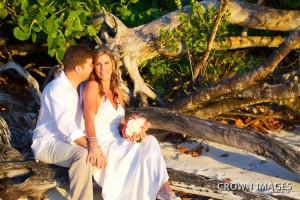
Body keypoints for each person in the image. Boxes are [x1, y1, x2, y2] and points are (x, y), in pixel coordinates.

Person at [83, 46, 181, 200]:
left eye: (106, 63)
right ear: (94, 67)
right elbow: (88, 117)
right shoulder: (92, 86)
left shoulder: (117, 91)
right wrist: (94, 147)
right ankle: (160, 191)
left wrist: (135, 129)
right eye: (98, 64)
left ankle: (165, 188)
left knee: (149, 140)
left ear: (114, 65)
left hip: (119, 140)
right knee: (140, 149)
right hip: (103, 143)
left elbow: (121, 123)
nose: (103, 68)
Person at [31, 44, 96, 200]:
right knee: (83, 154)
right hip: (49, 144)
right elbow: (66, 126)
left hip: (68, 143)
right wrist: (93, 146)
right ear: (78, 69)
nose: (93, 67)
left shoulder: (81, 87)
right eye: (90, 64)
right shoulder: (57, 89)